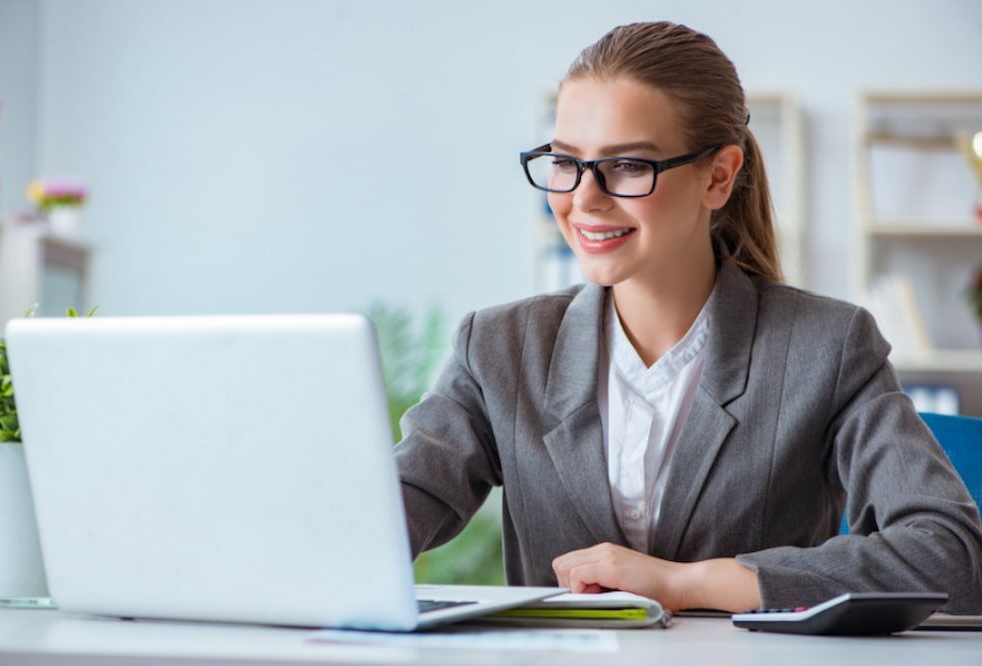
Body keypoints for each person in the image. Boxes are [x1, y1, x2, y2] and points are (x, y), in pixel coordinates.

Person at [394, 21, 982, 613]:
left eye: (626, 165)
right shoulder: (498, 347)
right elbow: (384, 517)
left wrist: (686, 582)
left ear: (718, 177)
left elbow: (949, 557)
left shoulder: (827, 347)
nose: (584, 199)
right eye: (565, 162)